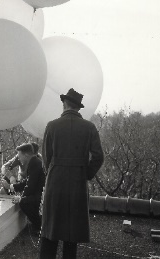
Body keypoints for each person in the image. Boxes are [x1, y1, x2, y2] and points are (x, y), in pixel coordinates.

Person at [39, 88, 104, 259]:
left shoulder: (52, 126)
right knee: (72, 233)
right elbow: (99, 157)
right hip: (77, 183)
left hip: (55, 182)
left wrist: (53, 173)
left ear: (64, 104)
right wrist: (85, 174)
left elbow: (46, 158)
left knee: (50, 229)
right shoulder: (89, 127)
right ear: (78, 107)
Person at [1, 142, 45, 232]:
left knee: (24, 203)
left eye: (19, 156)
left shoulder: (35, 162)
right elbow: (27, 181)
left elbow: (30, 186)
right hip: (36, 192)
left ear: (25, 155)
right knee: (23, 200)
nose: (18, 158)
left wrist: (21, 198)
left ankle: (39, 227)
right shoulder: (33, 161)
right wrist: (11, 186)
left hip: (41, 195)